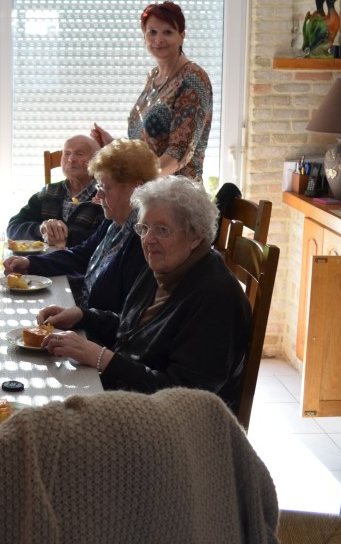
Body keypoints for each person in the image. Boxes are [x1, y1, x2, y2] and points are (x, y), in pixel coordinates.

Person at [36, 175, 252, 411]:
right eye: (144, 228)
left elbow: (187, 398)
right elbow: (134, 327)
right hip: (129, 400)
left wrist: (103, 358)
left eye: (162, 229)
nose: (148, 239)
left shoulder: (215, 298)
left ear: (196, 236)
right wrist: (81, 315)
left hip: (171, 430)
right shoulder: (165, 265)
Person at [4, 139, 159, 313]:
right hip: (83, 313)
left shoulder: (143, 238)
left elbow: (124, 319)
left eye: (105, 188)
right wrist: (28, 263)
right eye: (99, 186)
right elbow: (81, 255)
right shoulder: (114, 222)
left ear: (135, 189)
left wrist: (79, 316)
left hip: (97, 330)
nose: (98, 194)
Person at [91, 1, 213, 180]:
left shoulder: (193, 79)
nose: (159, 40)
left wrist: (138, 180)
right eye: (152, 32)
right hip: (148, 190)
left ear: (182, 36)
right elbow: (146, 147)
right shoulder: (153, 77)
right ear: (144, 36)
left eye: (168, 32)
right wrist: (114, 144)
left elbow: (179, 153)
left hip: (176, 195)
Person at [6, 135, 105, 249]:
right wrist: (42, 230)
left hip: (82, 265)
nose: (71, 159)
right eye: (66, 153)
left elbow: (105, 237)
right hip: (39, 263)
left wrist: (65, 236)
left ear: (96, 161)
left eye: (79, 154)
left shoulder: (104, 196)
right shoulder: (48, 192)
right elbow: (13, 228)